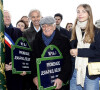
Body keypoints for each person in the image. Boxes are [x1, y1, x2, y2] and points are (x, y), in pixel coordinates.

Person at [31, 16, 72, 90]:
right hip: (41, 83)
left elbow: (67, 62)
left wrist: (61, 78)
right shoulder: (36, 41)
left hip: (58, 83)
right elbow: (33, 61)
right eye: (43, 26)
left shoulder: (64, 40)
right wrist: (34, 77)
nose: (46, 28)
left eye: (49, 25)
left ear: (54, 27)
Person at [70, 4, 100, 90]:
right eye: (78, 12)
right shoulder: (74, 31)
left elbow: (98, 52)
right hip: (75, 73)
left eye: (83, 11)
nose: (80, 14)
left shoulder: (97, 32)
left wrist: (79, 52)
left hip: (90, 74)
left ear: (89, 14)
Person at [4, 10, 26, 90]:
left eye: (9, 16)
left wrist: (18, 65)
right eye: (5, 16)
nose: (7, 18)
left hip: (17, 71)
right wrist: (3, 65)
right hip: (3, 70)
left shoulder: (18, 31)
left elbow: (23, 51)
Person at [22, 9, 42, 90]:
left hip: (45, 65)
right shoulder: (25, 32)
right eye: (33, 17)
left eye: (37, 16)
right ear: (30, 18)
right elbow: (23, 51)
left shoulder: (46, 29)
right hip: (31, 66)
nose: (36, 19)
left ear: (41, 17)